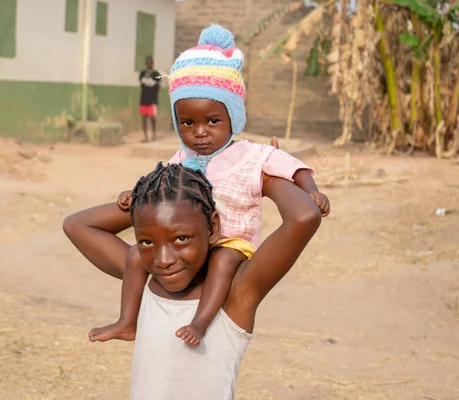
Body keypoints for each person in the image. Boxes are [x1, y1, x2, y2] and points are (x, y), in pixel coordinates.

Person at [86, 24, 331, 347]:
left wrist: (311, 189)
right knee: (134, 255)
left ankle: (200, 323)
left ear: (234, 118)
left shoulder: (253, 155)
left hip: (232, 243)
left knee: (223, 261)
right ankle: (127, 321)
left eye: (212, 121)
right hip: (190, 245)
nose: (199, 132)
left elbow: (293, 167)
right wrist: (135, 193)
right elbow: (161, 186)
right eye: (187, 123)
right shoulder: (182, 157)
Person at [62, 162, 322, 399]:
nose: (163, 259)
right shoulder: (149, 281)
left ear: (213, 227)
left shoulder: (235, 293)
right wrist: (152, 197)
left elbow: (304, 217)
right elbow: (76, 225)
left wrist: (261, 177)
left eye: (181, 239)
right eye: (147, 241)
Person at [139, 55, 161, 142]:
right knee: (144, 118)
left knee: (152, 118)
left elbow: (157, 86)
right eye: (147, 63)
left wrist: (150, 83)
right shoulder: (142, 73)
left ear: (152, 63)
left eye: (150, 63)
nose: (149, 64)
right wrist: (151, 83)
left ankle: (154, 133)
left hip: (153, 100)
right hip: (143, 100)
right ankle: (145, 137)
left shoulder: (156, 74)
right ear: (145, 64)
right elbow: (141, 84)